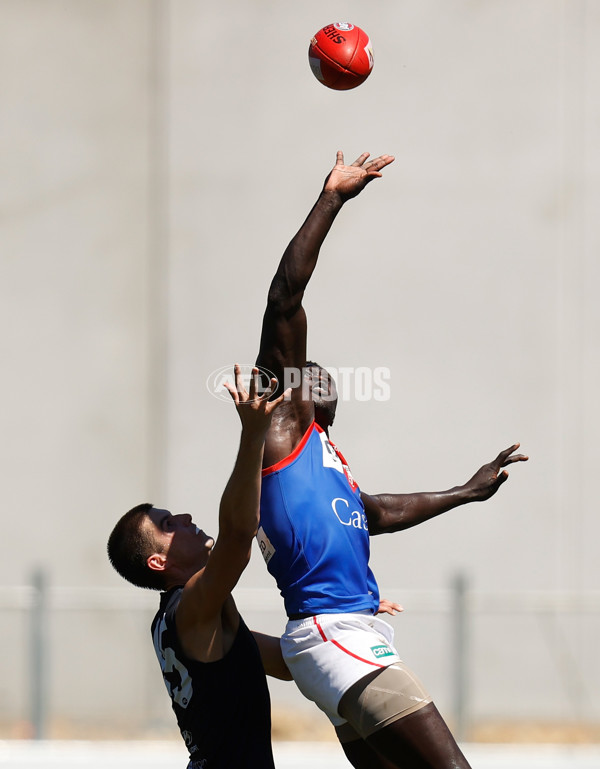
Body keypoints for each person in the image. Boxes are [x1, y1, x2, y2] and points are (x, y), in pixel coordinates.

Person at [254, 150, 528, 769]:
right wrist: (332, 199)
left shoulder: (325, 459)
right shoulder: (284, 422)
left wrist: (464, 491)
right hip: (334, 636)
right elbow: (284, 299)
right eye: (306, 369)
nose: (320, 372)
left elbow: (380, 510)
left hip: (349, 634)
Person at [107, 366, 292, 769]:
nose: (185, 517)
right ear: (159, 561)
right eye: (167, 524)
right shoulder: (192, 607)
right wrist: (253, 434)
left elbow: (289, 663)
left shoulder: (192, 618)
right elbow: (239, 535)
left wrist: (347, 610)